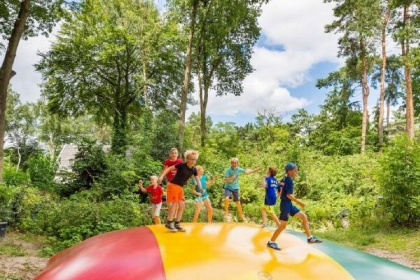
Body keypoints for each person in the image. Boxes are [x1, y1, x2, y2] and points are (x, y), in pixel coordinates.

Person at [267, 163, 322, 250]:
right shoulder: (289, 180)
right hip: (286, 205)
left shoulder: (283, 179)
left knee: (304, 216)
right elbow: (289, 195)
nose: (296, 172)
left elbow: (279, 190)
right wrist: (299, 202)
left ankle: (310, 238)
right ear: (289, 171)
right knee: (282, 226)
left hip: (288, 204)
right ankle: (271, 242)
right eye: (295, 171)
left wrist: (281, 196)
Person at [159, 150, 203, 232]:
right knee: (174, 204)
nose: (194, 161)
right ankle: (169, 223)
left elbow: (197, 179)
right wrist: (162, 176)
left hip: (180, 188)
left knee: (182, 205)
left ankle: (177, 223)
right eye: (192, 159)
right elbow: (169, 168)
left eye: (195, 159)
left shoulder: (194, 170)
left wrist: (200, 188)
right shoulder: (181, 165)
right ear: (187, 159)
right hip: (173, 186)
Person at [224, 158, 261, 222]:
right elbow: (225, 179)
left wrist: (256, 170)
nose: (234, 164)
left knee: (237, 202)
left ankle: (241, 215)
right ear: (231, 164)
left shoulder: (239, 169)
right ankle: (226, 213)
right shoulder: (228, 170)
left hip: (235, 187)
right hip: (228, 187)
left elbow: (247, 172)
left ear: (237, 164)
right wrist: (231, 178)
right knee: (227, 198)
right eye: (232, 163)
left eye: (235, 163)